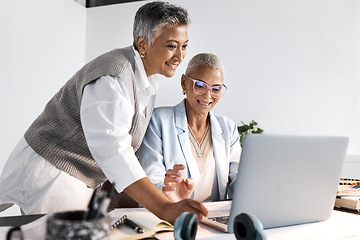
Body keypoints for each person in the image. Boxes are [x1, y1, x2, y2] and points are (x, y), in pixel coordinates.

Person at [0, 1, 207, 224]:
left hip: (73, 177)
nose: (180, 56)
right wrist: (164, 207)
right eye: (171, 46)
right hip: (50, 172)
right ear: (143, 44)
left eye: (184, 46)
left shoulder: (148, 79)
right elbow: (114, 152)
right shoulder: (113, 79)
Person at [137, 53, 241, 203]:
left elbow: (240, 179)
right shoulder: (158, 120)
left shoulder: (228, 128)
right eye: (200, 85)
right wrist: (170, 196)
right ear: (184, 82)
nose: (208, 95)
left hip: (214, 220)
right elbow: (151, 180)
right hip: (175, 216)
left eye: (216, 89)